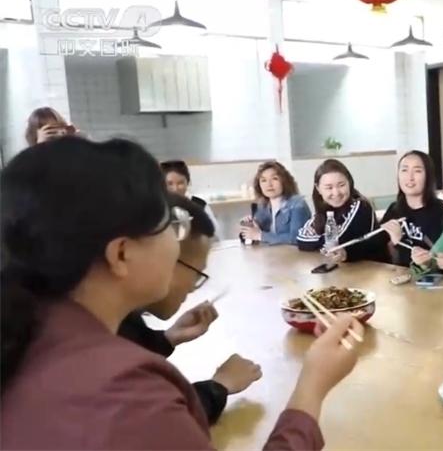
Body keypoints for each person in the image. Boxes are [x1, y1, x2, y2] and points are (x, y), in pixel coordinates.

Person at [0, 136, 363, 450]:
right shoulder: (125, 395)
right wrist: (312, 386)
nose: (178, 245)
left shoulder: (31, 336)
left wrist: (167, 338)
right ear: (122, 254)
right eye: (170, 227)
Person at [118, 193, 261, 425]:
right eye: (195, 273)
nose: (193, 287)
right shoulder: (92, 339)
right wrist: (219, 386)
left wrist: (167, 339)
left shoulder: (120, 320)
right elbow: (155, 422)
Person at [296, 159, 389, 263]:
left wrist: (317, 241)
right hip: (344, 268)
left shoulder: (361, 205)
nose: (336, 192)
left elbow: (340, 240)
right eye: (329, 188)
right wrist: (325, 243)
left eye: (341, 185)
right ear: (318, 189)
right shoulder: (325, 209)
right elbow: (301, 240)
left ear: (349, 183)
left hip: (373, 267)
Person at [380, 151, 443, 267]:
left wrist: (400, 242)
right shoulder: (394, 209)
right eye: (404, 170)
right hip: (401, 275)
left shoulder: (441, 212)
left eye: (417, 171)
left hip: (431, 276)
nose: (410, 177)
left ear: (428, 176)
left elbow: (436, 260)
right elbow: (376, 245)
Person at [240, 160, 311, 246]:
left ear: (284, 181)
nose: (269, 184)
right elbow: (254, 235)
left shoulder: (297, 204)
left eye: (275, 179)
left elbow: (296, 238)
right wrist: (249, 225)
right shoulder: (263, 206)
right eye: (263, 180)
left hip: (294, 253)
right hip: (273, 253)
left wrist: (261, 236)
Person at [161, 159, 221, 237]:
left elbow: (215, 236)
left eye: (180, 183)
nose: (175, 189)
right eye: (169, 184)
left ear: (188, 182)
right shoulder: (157, 208)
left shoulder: (200, 205)